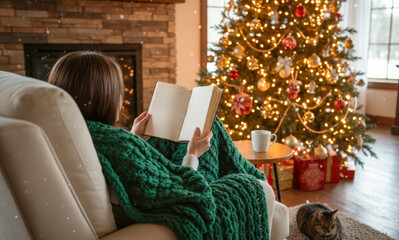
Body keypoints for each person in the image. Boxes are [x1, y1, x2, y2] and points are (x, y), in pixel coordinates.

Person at [48, 51, 287, 240]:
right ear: (106, 97)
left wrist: (134, 137)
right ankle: (255, 178)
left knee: (187, 129)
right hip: (187, 188)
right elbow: (182, 193)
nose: (121, 98)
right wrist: (193, 154)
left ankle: (247, 173)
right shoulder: (112, 143)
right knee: (208, 125)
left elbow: (125, 172)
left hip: (156, 186)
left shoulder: (79, 134)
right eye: (119, 91)